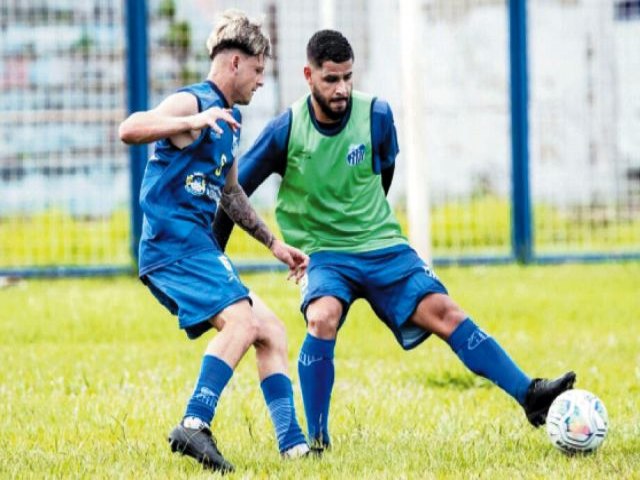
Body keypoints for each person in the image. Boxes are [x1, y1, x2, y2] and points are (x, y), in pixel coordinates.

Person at [212, 29, 576, 451]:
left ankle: (530, 396)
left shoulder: (377, 115)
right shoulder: (286, 129)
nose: (342, 89)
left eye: (348, 77)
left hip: (383, 245)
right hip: (325, 255)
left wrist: (366, 223)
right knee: (321, 317)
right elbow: (234, 193)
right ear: (308, 75)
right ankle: (317, 441)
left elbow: (382, 174)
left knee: (446, 312)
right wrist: (213, 256)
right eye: (331, 79)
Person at [119, 10, 310, 473]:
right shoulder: (194, 102)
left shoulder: (231, 120)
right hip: (173, 246)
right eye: (259, 70)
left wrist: (273, 244)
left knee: (272, 331)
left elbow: (230, 191)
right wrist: (194, 119)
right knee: (242, 325)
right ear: (235, 64)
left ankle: (294, 446)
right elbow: (130, 128)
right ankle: (194, 423)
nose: (261, 81)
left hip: (196, 247)